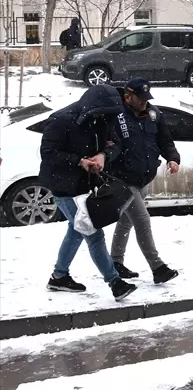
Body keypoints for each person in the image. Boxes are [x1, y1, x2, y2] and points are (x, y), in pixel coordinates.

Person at [40, 85, 136, 301]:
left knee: (76, 230)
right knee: (92, 232)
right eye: (102, 114)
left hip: (87, 185)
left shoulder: (103, 118)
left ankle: (59, 276)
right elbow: (48, 153)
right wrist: (78, 161)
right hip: (63, 186)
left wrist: (104, 155)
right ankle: (115, 282)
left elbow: (115, 143)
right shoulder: (61, 120)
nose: (105, 118)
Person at [108, 79, 181, 283]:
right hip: (123, 179)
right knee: (142, 220)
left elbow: (165, 141)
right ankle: (158, 268)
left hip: (144, 177)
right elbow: (110, 145)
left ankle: (116, 262)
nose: (144, 102)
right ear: (128, 97)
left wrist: (173, 158)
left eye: (146, 98)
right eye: (140, 98)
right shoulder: (117, 116)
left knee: (126, 221)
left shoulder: (154, 114)